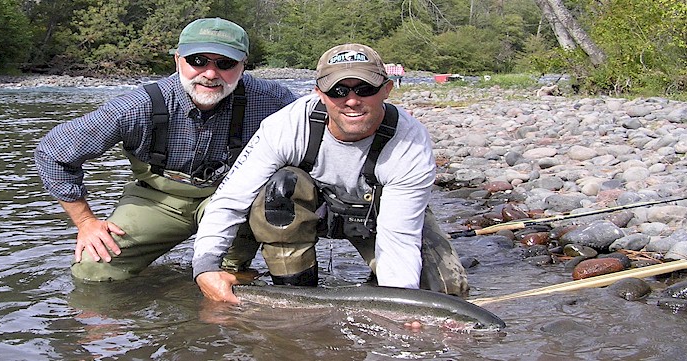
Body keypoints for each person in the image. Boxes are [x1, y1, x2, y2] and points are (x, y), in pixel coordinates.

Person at [192, 43, 468, 303]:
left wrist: (399, 303)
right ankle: (296, 295)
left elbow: (400, 236)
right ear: (318, 94)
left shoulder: (410, 142)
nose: (351, 101)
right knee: (279, 185)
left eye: (364, 89)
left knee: (443, 293)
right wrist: (205, 268)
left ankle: (379, 284)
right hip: (303, 210)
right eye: (337, 91)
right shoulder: (286, 126)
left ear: (387, 89)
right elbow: (230, 199)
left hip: (378, 214)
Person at [35, 18, 298, 282]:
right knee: (93, 268)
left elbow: (324, 125)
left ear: (243, 66)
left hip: (237, 200)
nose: (210, 74)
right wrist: (86, 223)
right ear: (177, 60)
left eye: (225, 64)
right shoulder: (136, 107)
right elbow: (53, 152)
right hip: (157, 201)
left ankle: (233, 270)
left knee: (278, 188)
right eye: (198, 61)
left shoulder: (275, 101)